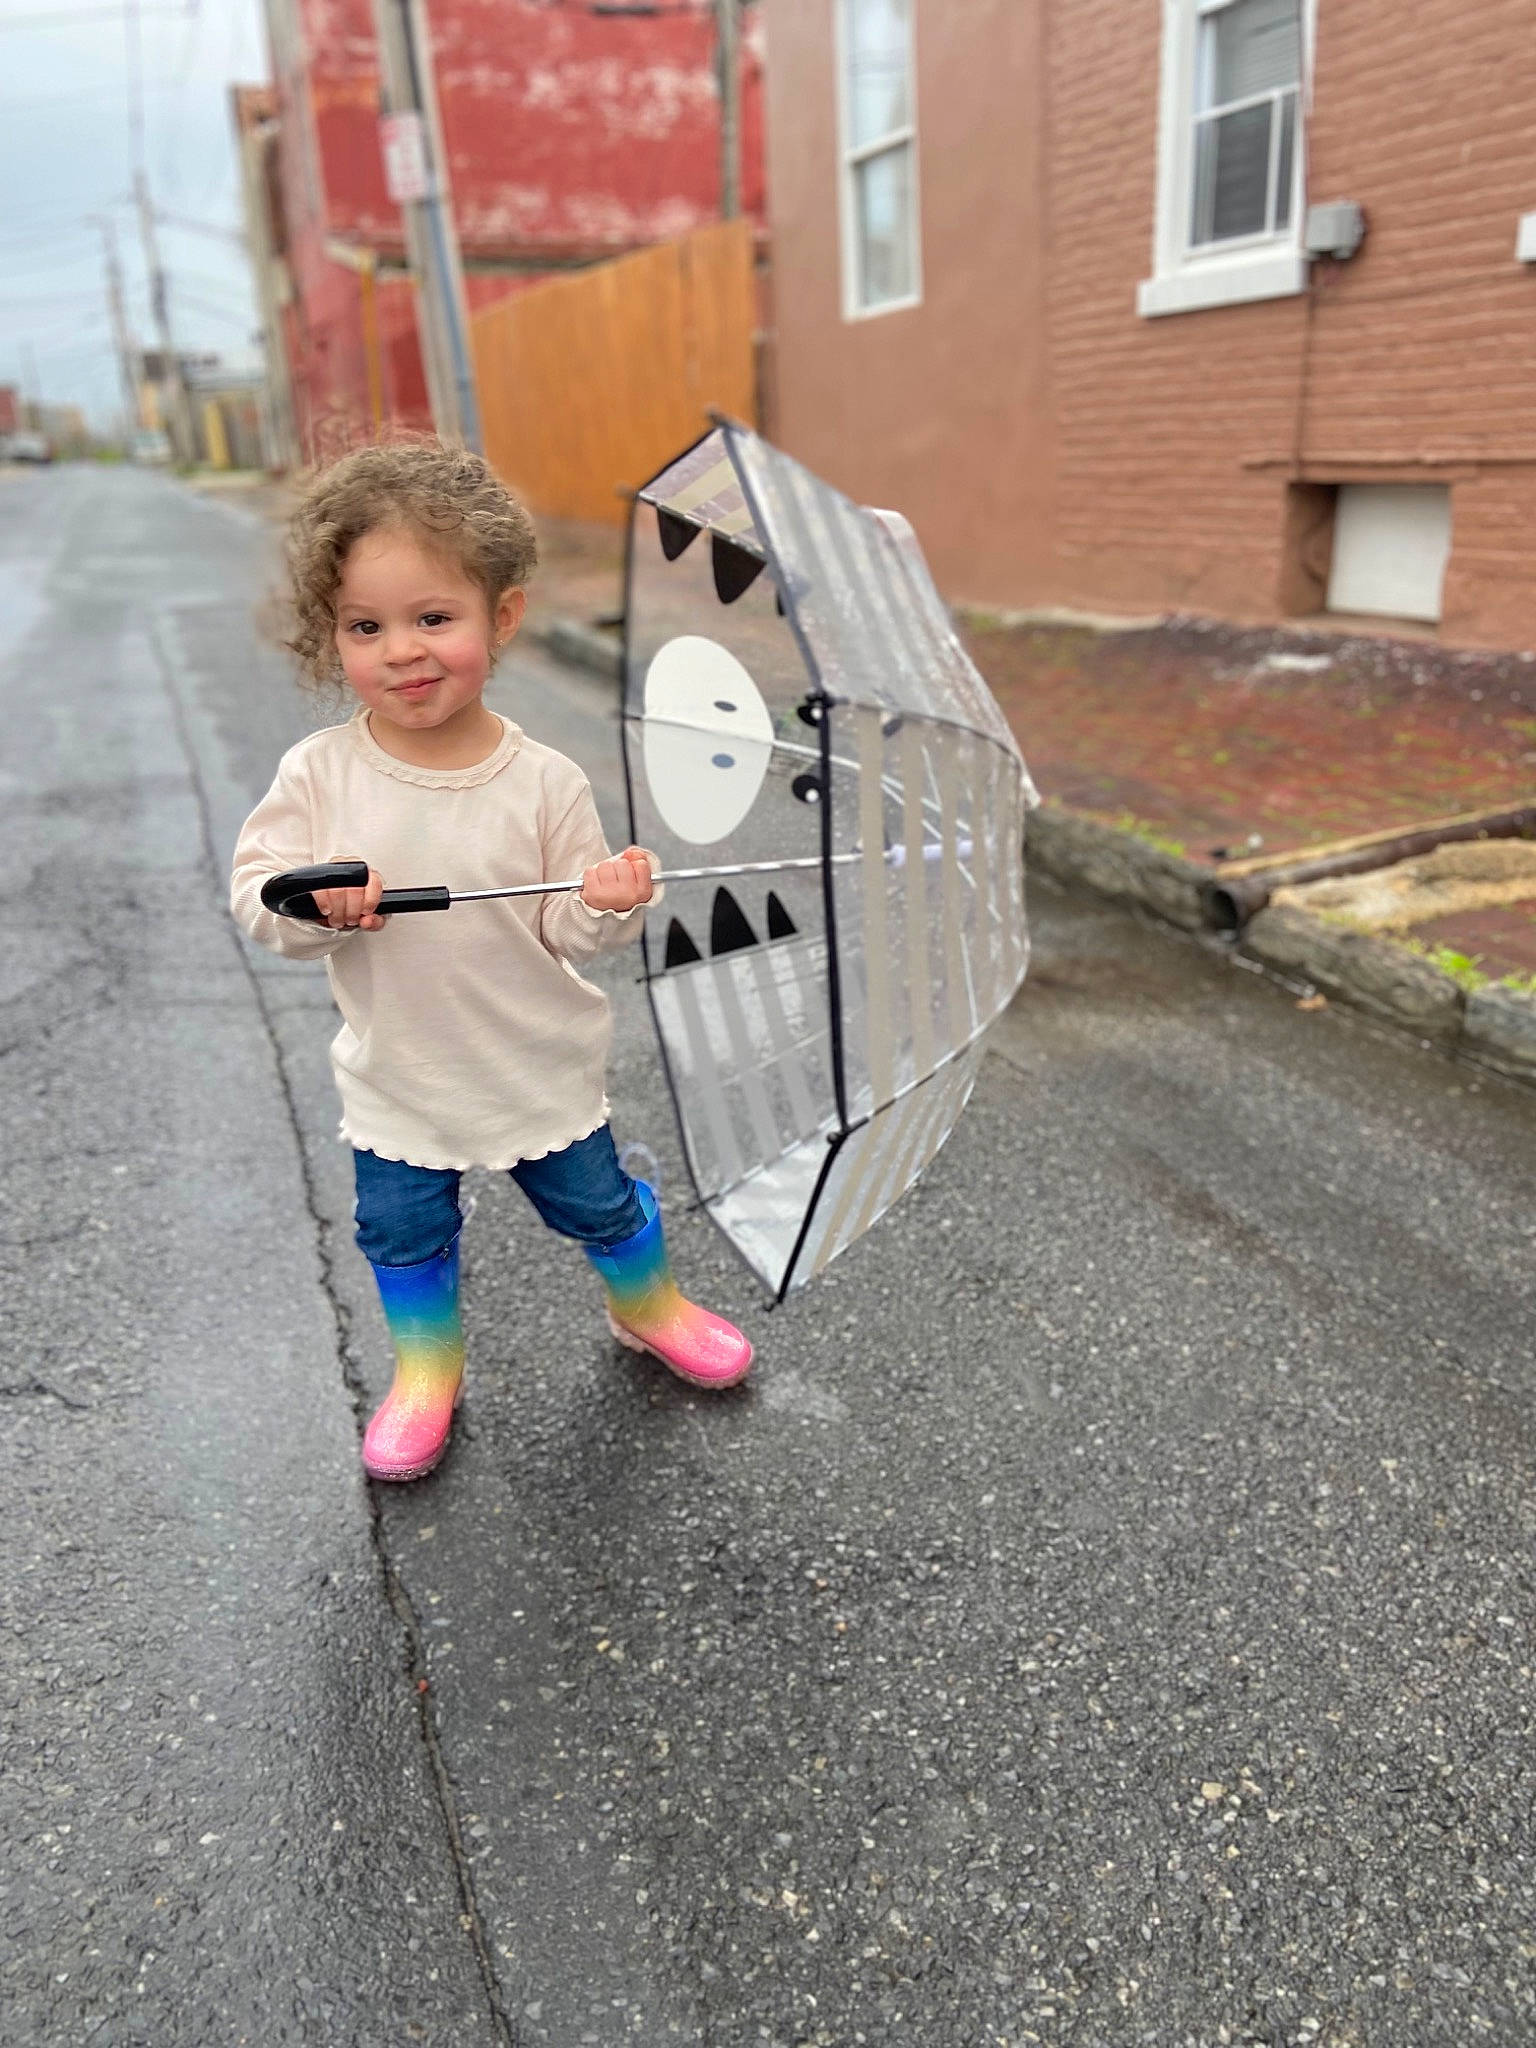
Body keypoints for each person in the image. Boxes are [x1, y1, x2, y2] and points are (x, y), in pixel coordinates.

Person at [231, 440, 751, 1483]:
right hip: (401, 1078)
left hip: (535, 1066)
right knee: (402, 1229)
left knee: (597, 1203)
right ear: (330, 636)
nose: (403, 652)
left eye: (434, 618)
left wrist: (605, 901)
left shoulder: (544, 780)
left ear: (500, 618)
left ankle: (646, 1304)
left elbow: (569, 927)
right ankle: (428, 1370)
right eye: (365, 627)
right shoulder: (321, 773)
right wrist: (316, 898)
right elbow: (260, 896)